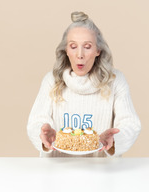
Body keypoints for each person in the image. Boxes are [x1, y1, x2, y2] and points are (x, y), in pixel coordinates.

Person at [27, 11, 141, 157]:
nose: (80, 54)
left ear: (98, 50)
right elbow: (36, 122)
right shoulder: (52, 80)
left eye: (87, 46)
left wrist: (115, 139)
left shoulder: (115, 80)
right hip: (58, 169)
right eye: (73, 46)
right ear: (66, 50)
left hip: (102, 170)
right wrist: (42, 134)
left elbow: (130, 123)